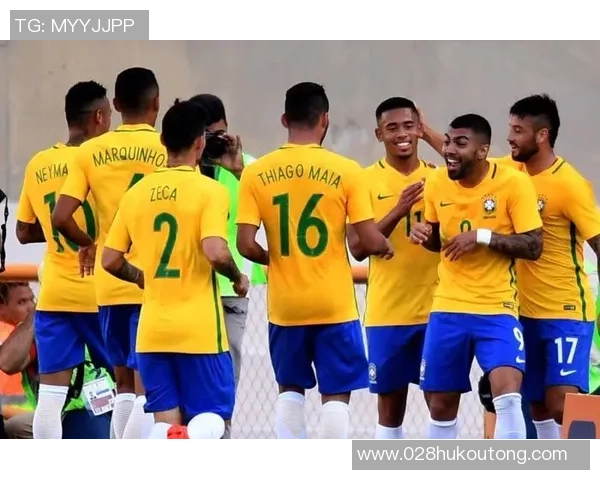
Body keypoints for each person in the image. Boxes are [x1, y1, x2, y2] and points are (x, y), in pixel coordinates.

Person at [236, 82, 392, 439]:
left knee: (290, 391)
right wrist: (387, 245)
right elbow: (367, 240)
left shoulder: (256, 172)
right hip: (334, 304)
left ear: (284, 119)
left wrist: (272, 259)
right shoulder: (347, 170)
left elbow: (245, 244)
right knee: (336, 394)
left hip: (285, 307)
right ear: (325, 119)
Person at [102, 99, 246, 439]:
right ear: (200, 143)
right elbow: (215, 251)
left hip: (152, 332)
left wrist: (141, 277)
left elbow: (110, 259)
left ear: (163, 141)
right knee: (211, 422)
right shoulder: (210, 190)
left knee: (166, 426)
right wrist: (236, 276)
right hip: (199, 334)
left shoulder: (137, 193)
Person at [409, 113, 543, 440]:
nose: (449, 150)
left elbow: (533, 245)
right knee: (440, 405)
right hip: (448, 307)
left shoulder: (513, 183)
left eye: (460, 143)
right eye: (448, 142)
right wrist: (423, 234)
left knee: (507, 396)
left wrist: (483, 236)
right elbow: (438, 243)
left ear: (483, 151)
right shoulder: (436, 182)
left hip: (497, 308)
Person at [51, 67, 164, 439]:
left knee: (124, 386)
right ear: (156, 103)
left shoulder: (90, 152)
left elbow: (60, 216)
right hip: (152, 283)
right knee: (150, 390)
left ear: (115, 104)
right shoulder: (166, 148)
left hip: (110, 282)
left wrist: (88, 242)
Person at [494, 94, 600, 438]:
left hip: (565, 310)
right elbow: (470, 155)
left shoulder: (570, 184)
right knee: (537, 403)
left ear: (542, 135)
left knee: (561, 403)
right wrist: (426, 133)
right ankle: (550, 463)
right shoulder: (512, 172)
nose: (510, 137)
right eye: (510, 128)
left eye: (518, 130)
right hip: (523, 311)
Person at [14, 81, 113, 439]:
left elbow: (23, 232)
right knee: (132, 388)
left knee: (50, 397)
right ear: (99, 116)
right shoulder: (102, 160)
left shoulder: (39, 163)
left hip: (55, 295)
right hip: (101, 293)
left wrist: (59, 232)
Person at [346, 97, 439, 439]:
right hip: (387, 313)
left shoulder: (439, 177)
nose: (402, 134)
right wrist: (399, 210)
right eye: (392, 127)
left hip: (436, 311)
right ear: (379, 134)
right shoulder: (363, 180)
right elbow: (358, 248)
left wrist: (433, 233)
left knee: (440, 404)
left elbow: (478, 164)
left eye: (409, 126)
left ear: (419, 129)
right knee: (390, 410)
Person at [189, 94, 267, 420]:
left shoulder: (247, 166)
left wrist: (237, 171)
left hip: (234, 289)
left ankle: (222, 434)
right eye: (207, 136)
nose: (213, 143)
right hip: (188, 289)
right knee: (189, 377)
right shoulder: (182, 168)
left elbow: (272, 211)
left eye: (219, 134)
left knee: (225, 379)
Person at [0, 281, 114, 439]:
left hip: (84, 409)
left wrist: (37, 314)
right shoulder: (35, 326)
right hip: (89, 403)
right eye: (22, 302)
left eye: (32, 300)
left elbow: (7, 362)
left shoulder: (42, 326)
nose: (31, 306)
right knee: (15, 427)